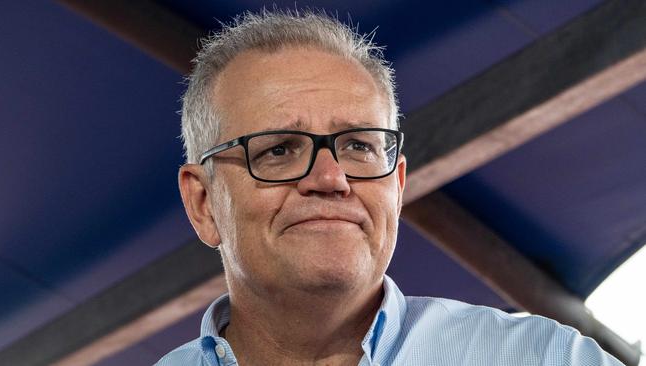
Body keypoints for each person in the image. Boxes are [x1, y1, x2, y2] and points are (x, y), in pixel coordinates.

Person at [157, 10, 623, 366]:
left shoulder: (542, 358)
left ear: (396, 186)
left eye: (359, 145)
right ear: (202, 203)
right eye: (279, 150)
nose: (330, 178)